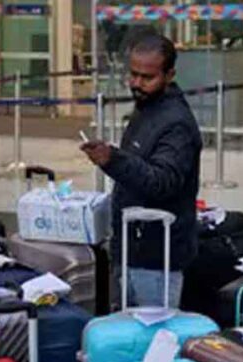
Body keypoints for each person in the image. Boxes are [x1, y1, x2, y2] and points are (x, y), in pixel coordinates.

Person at [80, 33, 202, 308]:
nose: (137, 84)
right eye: (133, 75)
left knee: (151, 330)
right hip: (130, 248)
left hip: (157, 259)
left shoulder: (176, 123)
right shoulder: (146, 109)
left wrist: (112, 159)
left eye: (147, 77)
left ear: (169, 75)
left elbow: (163, 181)